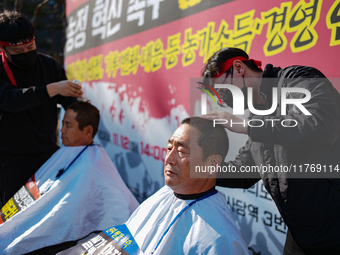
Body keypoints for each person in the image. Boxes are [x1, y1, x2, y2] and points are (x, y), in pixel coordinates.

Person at [200, 47, 340, 254]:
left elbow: (319, 126)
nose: (224, 101)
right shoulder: (259, 116)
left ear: (238, 68)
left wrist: (246, 126)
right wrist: (196, 169)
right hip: (302, 235)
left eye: (222, 91)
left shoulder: (297, 79)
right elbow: (244, 171)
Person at [0, 102, 139, 255]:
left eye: (68, 125)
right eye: (63, 124)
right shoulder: (68, 153)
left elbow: (70, 210)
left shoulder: (92, 165)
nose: (62, 130)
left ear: (87, 131)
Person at [125, 117, 249, 255]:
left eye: (181, 152)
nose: (169, 159)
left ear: (213, 163)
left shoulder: (221, 240)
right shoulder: (163, 195)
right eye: (169, 148)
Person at [0, 10, 83, 206]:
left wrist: (80, 107)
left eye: (31, 46)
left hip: (47, 154)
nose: (26, 53)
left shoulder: (48, 66)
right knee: (11, 214)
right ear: (3, 49)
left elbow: (68, 101)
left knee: (46, 211)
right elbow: (12, 100)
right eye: (18, 51)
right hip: (10, 159)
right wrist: (53, 88)